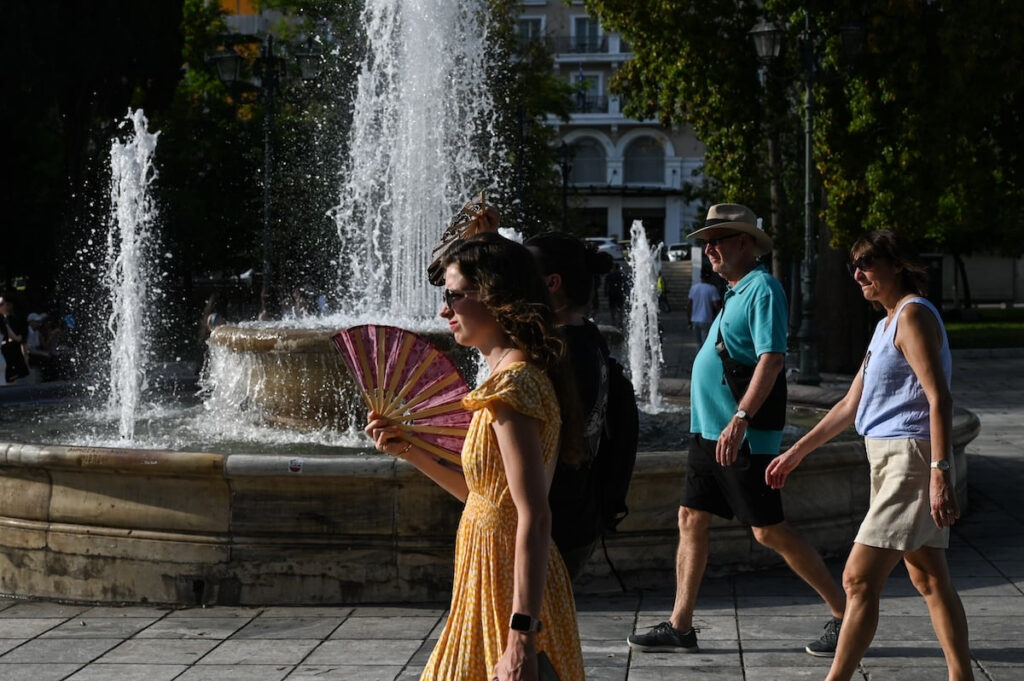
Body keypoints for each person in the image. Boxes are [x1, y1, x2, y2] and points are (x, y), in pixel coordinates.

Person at [627, 203, 846, 655]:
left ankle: (847, 614)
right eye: (706, 242)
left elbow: (773, 358)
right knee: (691, 518)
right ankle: (680, 625)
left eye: (719, 240)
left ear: (746, 242)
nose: (709, 249)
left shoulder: (763, 288)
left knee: (767, 530)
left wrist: (740, 419)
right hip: (708, 432)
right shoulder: (734, 291)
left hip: (742, 436)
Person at [366, 232, 585, 681]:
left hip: (507, 586)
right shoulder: (512, 380)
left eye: (455, 296)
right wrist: (410, 450)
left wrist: (521, 633)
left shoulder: (513, 388)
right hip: (486, 577)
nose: (444, 309)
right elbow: (486, 498)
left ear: (496, 296)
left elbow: (535, 515)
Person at [764, 230, 974, 680]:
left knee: (857, 580)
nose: (858, 274)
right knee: (930, 579)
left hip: (911, 459)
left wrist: (939, 472)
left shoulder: (913, 315)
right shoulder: (884, 325)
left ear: (896, 265)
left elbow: (939, 399)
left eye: (867, 264)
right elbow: (848, 405)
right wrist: (796, 452)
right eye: (854, 266)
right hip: (889, 458)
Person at [525, 231, 613, 579]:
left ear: (552, 283)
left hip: (555, 520)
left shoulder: (559, 351)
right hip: (577, 513)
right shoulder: (586, 336)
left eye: (524, 273)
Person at [686, 270, 722, 346]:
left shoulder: (694, 288)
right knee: (705, 344)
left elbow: (689, 305)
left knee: (698, 344)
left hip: (695, 320)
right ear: (710, 278)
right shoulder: (712, 289)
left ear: (700, 277)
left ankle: (698, 357)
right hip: (706, 319)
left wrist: (689, 320)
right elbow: (716, 305)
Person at [604, 263, 628, 327]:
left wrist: (605, 292)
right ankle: (620, 322)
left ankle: (614, 321)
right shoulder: (621, 274)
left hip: (612, 293)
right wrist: (625, 292)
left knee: (612, 308)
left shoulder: (610, 274)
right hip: (619, 293)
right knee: (620, 308)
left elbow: (606, 284)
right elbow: (625, 284)